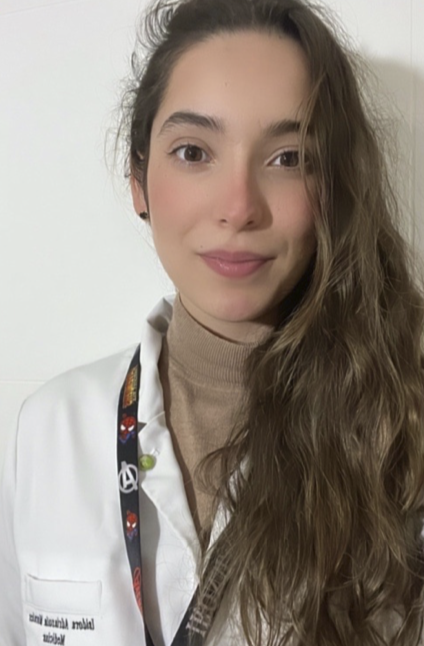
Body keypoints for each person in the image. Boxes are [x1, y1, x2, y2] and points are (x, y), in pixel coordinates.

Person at [1, 0, 423, 644]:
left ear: (333, 187)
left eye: (288, 158)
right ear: (138, 179)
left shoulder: (405, 429)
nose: (239, 206)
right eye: (194, 151)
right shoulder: (49, 431)